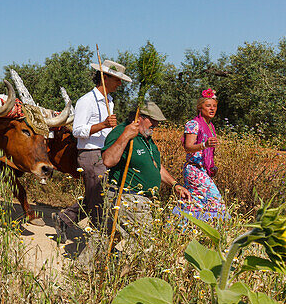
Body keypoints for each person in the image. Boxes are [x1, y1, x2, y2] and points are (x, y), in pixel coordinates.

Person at [57, 59, 131, 233]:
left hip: (105, 154)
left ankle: (66, 218)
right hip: (90, 154)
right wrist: (103, 125)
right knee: (98, 197)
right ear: (105, 78)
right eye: (116, 79)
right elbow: (77, 130)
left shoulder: (109, 101)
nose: (120, 83)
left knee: (96, 195)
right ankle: (101, 238)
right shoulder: (87, 101)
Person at [101, 102, 191, 235]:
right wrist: (126, 135)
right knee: (145, 243)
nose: (156, 124)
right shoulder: (121, 132)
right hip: (127, 198)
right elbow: (108, 160)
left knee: (104, 240)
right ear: (139, 118)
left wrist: (175, 185)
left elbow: (155, 166)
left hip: (142, 200)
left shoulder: (146, 138)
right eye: (152, 120)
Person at [181, 88, 227, 220]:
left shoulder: (210, 126)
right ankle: (218, 228)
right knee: (215, 201)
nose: (212, 109)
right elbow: (188, 147)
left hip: (202, 170)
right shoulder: (193, 124)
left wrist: (211, 167)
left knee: (195, 203)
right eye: (208, 106)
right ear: (200, 108)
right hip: (194, 169)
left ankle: (184, 229)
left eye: (214, 106)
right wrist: (204, 145)